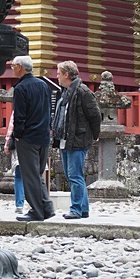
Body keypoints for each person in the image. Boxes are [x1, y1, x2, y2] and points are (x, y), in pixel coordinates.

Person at [53, 60, 102, 219]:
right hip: (65, 138)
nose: (57, 77)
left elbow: (94, 115)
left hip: (78, 139)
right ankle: (83, 208)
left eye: (59, 73)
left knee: (75, 175)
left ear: (66, 75)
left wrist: (95, 134)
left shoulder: (82, 91)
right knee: (71, 175)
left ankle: (76, 209)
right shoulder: (66, 91)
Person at [11, 56, 55, 222]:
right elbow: (49, 110)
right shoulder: (43, 85)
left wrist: (18, 135)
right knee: (37, 174)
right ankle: (46, 207)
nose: (12, 68)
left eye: (13, 66)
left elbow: (19, 116)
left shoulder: (21, 88)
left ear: (20, 67)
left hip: (28, 137)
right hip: (43, 135)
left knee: (30, 176)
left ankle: (36, 210)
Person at [4, 111, 25, 214]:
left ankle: (19, 204)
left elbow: (11, 127)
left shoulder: (18, 107)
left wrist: (7, 144)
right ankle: (36, 203)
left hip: (19, 142)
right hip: (34, 142)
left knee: (19, 175)